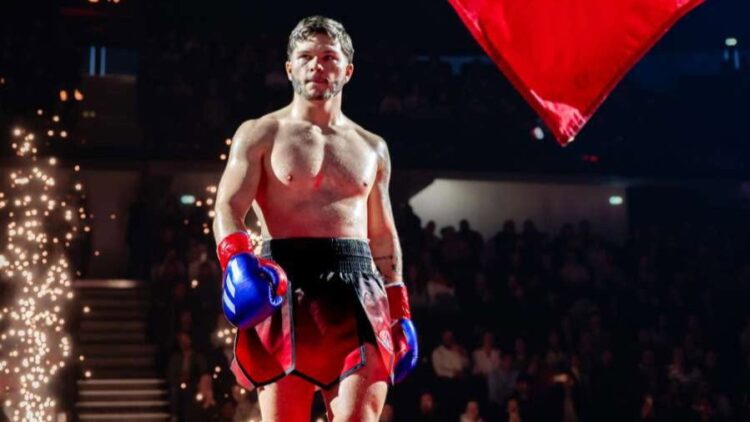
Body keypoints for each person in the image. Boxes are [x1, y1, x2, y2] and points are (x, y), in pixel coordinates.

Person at [212, 16, 418, 421]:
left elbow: (382, 233)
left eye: (328, 57)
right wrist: (236, 261)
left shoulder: (372, 147)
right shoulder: (260, 133)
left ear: (348, 70)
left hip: (359, 285)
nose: (316, 66)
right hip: (284, 283)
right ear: (290, 67)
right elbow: (227, 206)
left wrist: (400, 306)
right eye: (306, 57)